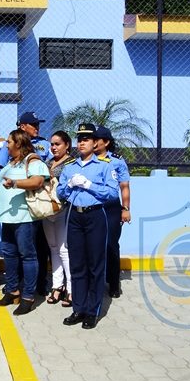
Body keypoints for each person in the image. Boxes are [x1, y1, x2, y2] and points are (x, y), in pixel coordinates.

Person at [58, 123, 118, 330]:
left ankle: (92, 311)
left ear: (95, 143)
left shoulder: (105, 166)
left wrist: (89, 185)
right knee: (77, 264)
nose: (82, 143)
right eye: (80, 139)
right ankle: (79, 308)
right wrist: (69, 185)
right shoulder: (70, 167)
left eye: (86, 139)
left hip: (95, 215)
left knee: (95, 265)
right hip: (75, 216)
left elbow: (113, 193)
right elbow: (60, 193)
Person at [0, 130, 50, 316]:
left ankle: (28, 297)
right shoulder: (12, 161)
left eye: (9, 142)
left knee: (28, 256)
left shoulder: (33, 160)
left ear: (19, 143)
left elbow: (37, 181)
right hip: (8, 217)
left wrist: (15, 183)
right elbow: (8, 179)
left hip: (24, 218)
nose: (6, 145)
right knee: (9, 254)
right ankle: (12, 291)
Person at [93, 126, 131, 298]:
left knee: (110, 244)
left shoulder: (116, 161)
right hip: (92, 206)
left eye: (97, 139)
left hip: (111, 208)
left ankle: (113, 283)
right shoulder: (86, 159)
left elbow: (124, 186)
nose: (93, 142)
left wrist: (126, 209)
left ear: (106, 142)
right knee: (93, 245)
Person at [42, 131, 74, 307]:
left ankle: (71, 289)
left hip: (64, 210)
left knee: (64, 250)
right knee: (53, 248)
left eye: (57, 144)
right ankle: (57, 286)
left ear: (67, 145)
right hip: (47, 210)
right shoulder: (48, 163)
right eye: (52, 144)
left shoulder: (72, 163)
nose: (53, 147)